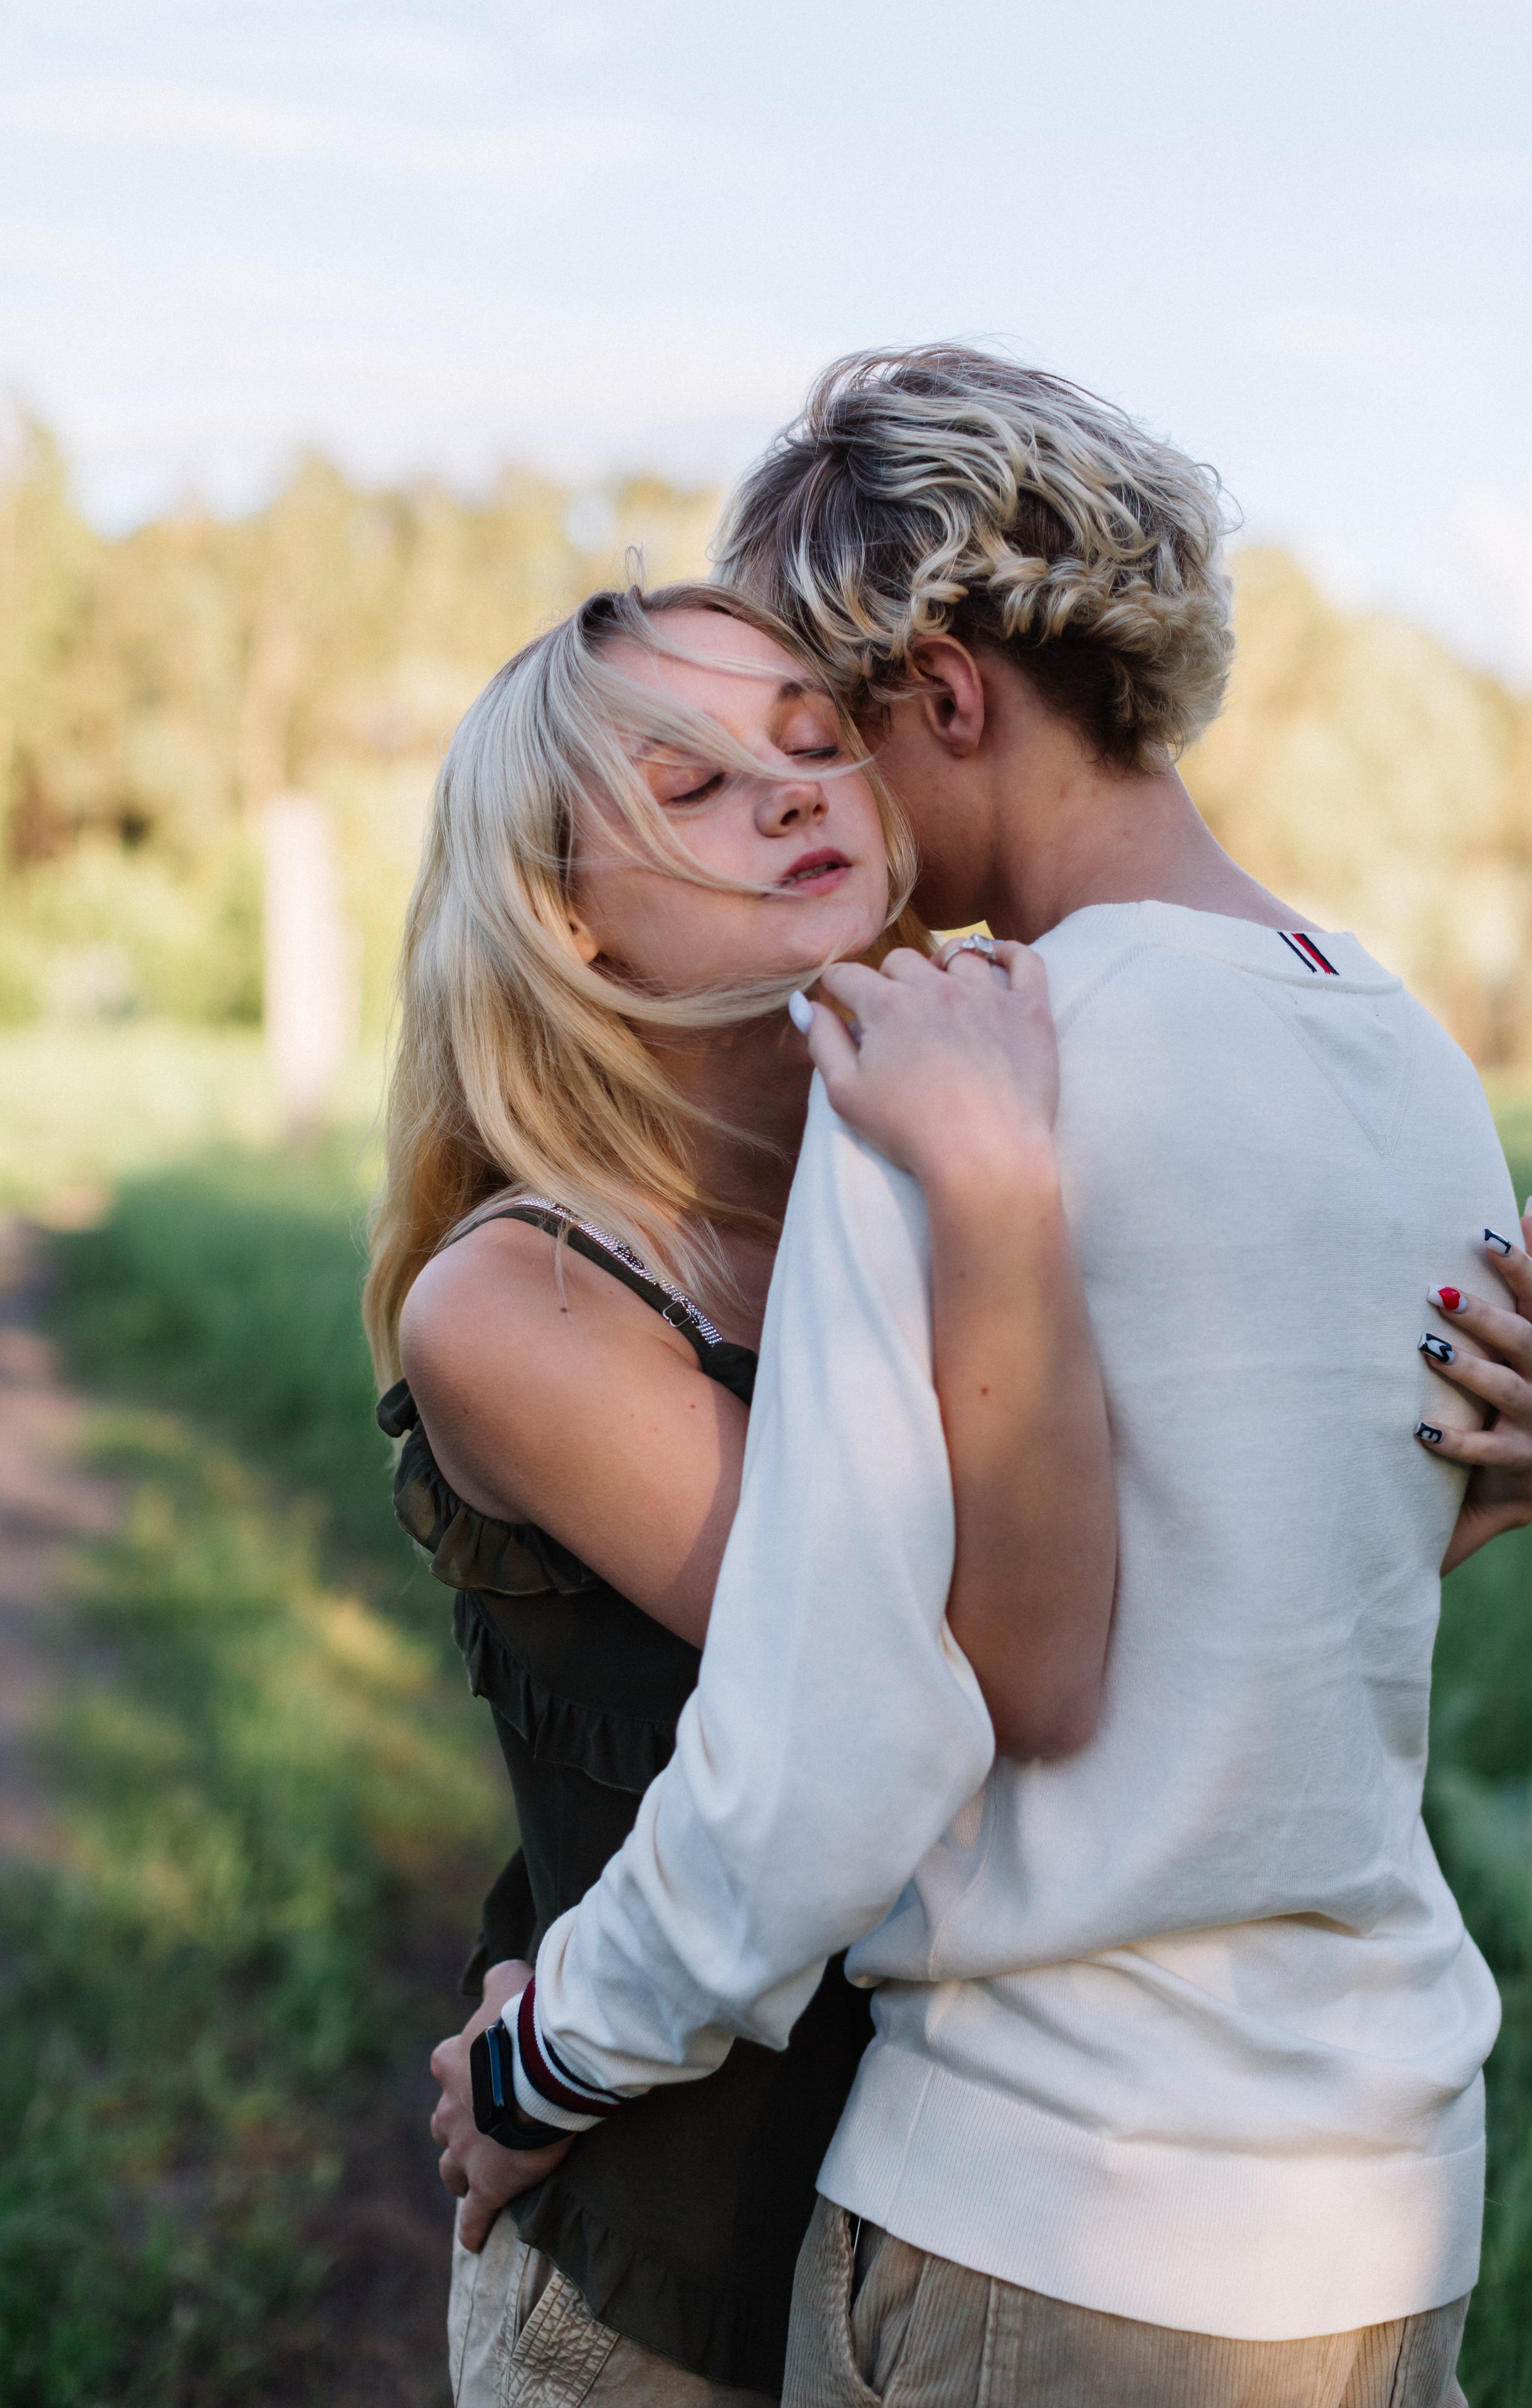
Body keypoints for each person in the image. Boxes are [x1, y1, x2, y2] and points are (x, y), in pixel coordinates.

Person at [487, 350, 1532, 2408]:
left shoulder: (956, 1067)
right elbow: (1304, 1591)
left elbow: (833, 1739)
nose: (813, 802)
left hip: (1047, 2213)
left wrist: (552, 2055)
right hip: (1391, 2208)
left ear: (951, 700)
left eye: (828, 730)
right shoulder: (1416, 1060)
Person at [363, 579, 1123, 2404]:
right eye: (689, 788)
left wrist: (1450, 1470)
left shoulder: (980, 1146)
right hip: (662, 2288)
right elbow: (940, 1666)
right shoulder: (521, 1301)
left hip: (981, 2248)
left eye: (809, 741)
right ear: (568, 915)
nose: (793, 795)